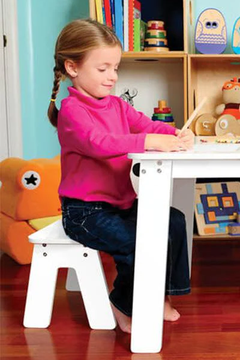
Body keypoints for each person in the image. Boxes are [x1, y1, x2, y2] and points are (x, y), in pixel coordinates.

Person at [47, 19, 194, 333]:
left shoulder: (116, 105)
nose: (112, 76)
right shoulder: (72, 111)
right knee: (137, 243)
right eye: (103, 69)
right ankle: (122, 303)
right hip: (85, 211)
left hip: (122, 204)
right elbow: (99, 144)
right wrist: (150, 142)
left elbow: (147, 125)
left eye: (115, 68)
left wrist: (176, 133)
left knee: (174, 221)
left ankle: (161, 296)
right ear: (72, 67)